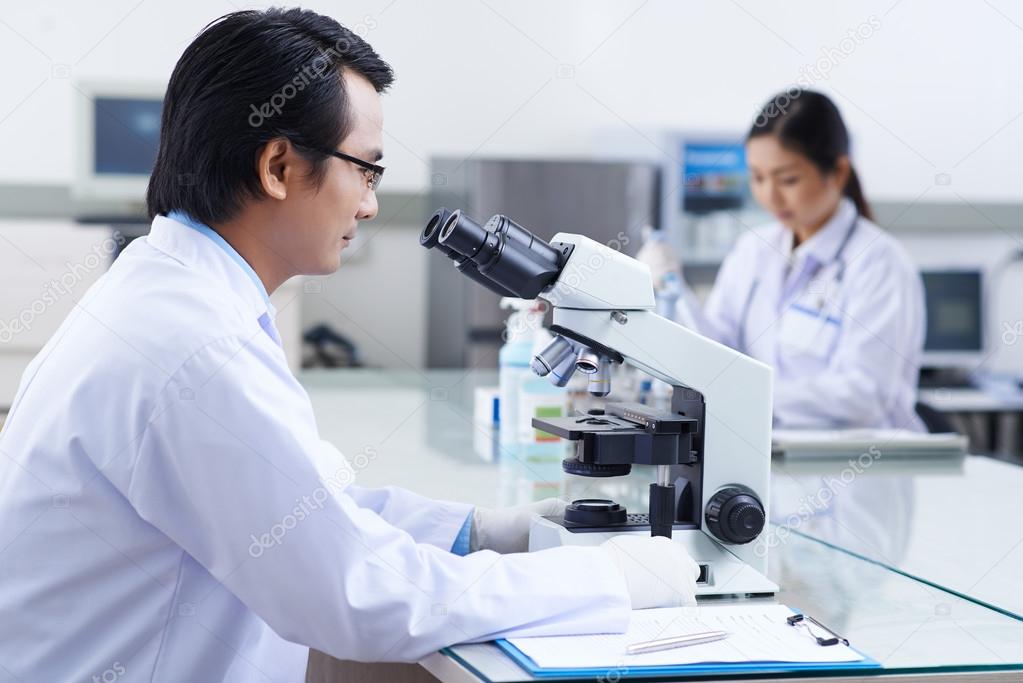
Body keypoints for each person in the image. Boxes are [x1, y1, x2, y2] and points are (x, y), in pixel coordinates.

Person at [0, 9, 698, 682]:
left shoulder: (168, 296)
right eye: (364, 170)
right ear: (277, 165)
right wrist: (606, 579)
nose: (368, 204)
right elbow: (355, 593)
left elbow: (312, 505)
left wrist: (483, 529)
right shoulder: (193, 349)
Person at [640, 90, 925, 431]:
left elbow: (865, 394)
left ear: (837, 172)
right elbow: (716, 352)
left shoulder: (878, 263)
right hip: (772, 455)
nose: (769, 196)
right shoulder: (754, 250)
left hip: (861, 468)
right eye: (758, 178)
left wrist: (750, 396)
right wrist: (673, 289)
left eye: (787, 179)